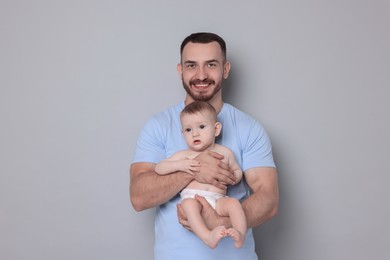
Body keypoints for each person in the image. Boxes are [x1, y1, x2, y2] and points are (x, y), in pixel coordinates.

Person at [130, 32, 279, 260]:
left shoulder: (249, 128)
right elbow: (139, 196)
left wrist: (220, 221)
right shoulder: (158, 125)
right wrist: (195, 168)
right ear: (180, 70)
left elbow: (268, 200)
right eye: (191, 65)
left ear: (225, 69)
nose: (201, 75)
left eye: (211, 65)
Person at [155, 101, 247, 249]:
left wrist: (234, 178)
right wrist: (179, 165)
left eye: (202, 127)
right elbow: (159, 168)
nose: (195, 133)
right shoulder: (183, 155)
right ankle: (207, 237)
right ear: (182, 133)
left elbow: (237, 171)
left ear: (216, 129)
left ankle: (240, 234)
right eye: (188, 130)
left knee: (234, 204)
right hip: (193, 198)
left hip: (219, 200)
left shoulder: (225, 152)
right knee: (188, 205)